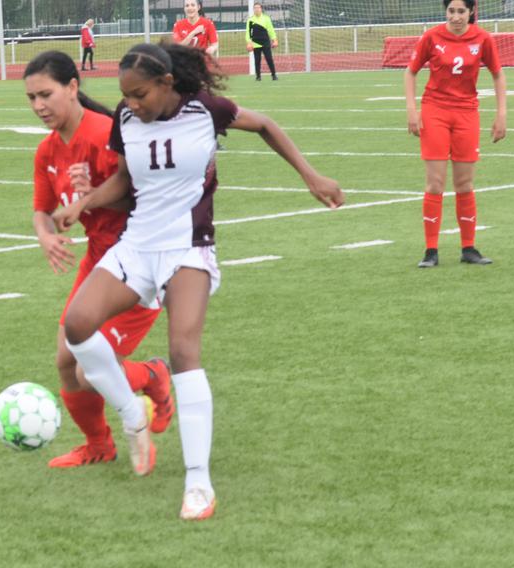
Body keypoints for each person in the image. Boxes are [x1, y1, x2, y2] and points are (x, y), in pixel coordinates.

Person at [54, 42, 343, 520]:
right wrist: (83, 204)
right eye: (125, 96)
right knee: (78, 326)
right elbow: (126, 181)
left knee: (184, 353)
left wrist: (311, 176)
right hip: (138, 244)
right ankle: (131, 413)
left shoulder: (206, 111)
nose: (131, 105)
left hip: (188, 246)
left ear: (166, 83)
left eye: (139, 94)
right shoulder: (127, 123)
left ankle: (198, 484)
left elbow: (267, 124)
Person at [23, 51, 175, 470]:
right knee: (65, 363)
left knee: (92, 372)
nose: (38, 106)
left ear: (73, 87)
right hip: (98, 260)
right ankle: (98, 444)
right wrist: (45, 235)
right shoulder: (49, 150)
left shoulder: (109, 134)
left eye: (46, 94)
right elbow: (42, 208)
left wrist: (92, 193)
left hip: (138, 263)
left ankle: (153, 376)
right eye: (31, 98)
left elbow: (144, 197)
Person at [404, 0, 506, 268]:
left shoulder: (482, 38)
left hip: (467, 113)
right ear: (445, 11)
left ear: (471, 11)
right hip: (435, 111)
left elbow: (497, 74)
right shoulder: (432, 36)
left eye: (462, 11)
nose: (456, 17)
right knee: (435, 182)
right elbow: (410, 72)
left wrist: (501, 114)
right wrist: (412, 111)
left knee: (464, 183)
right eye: (452, 11)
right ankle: (430, 251)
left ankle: (468, 248)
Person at [245, 2, 278, 81]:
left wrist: (274, 40)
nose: (256, 9)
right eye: (255, 8)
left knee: (269, 58)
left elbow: (271, 30)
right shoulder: (250, 20)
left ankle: (274, 75)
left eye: (258, 7)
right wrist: (249, 42)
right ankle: (258, 76)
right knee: (257, 60)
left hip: (265, 42)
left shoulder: (266, 18)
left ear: (261, 9)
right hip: (255, 43)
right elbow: (248, 32)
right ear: (253, 9)